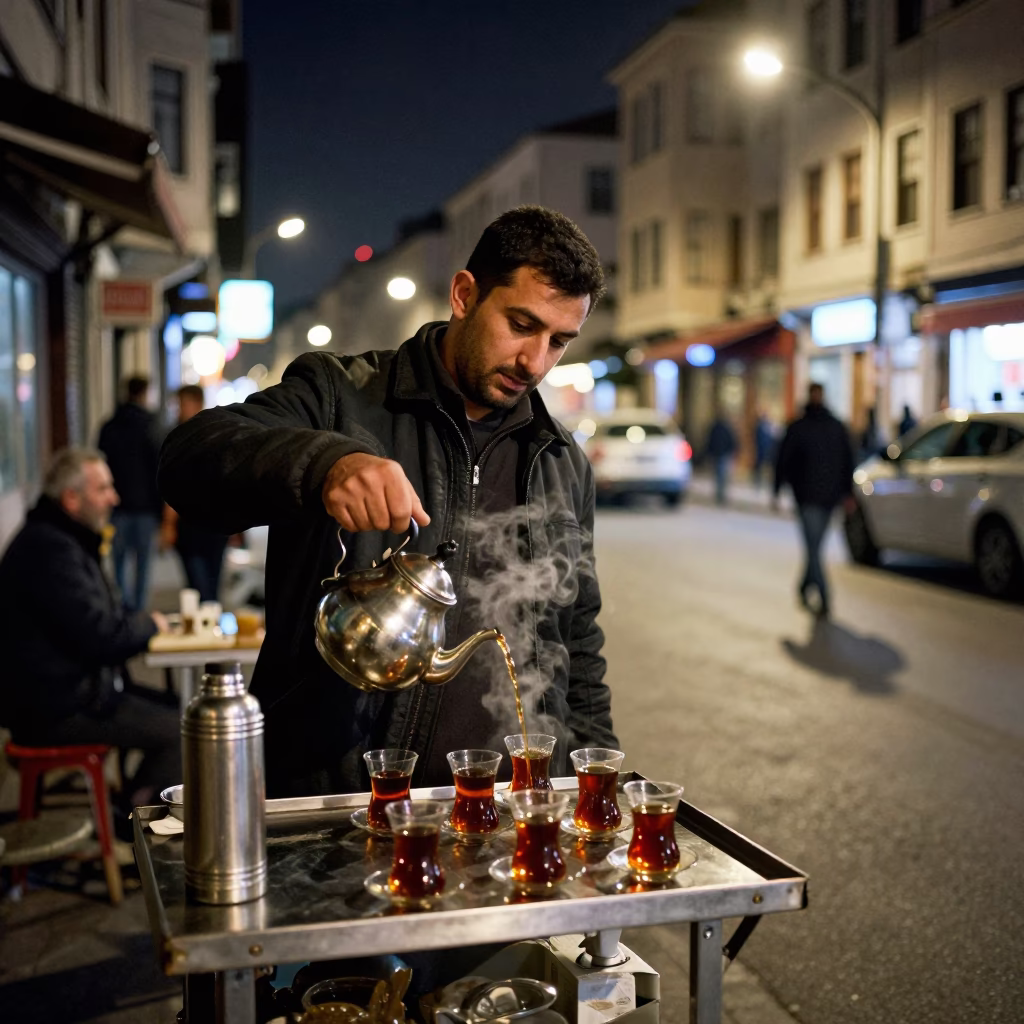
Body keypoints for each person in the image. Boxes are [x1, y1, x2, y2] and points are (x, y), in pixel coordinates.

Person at [159, 206, 618, 799]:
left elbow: (576, 644)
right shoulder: (341, 397)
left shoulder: (561, 460)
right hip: (340, 798)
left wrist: (596, 783)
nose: (535, 361)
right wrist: (325, 465)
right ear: (463, 294)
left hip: (505, 811)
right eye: (521, 324)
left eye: (559, 341)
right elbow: (187, 461)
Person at [0, 448, 180, 830]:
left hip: (65, 691)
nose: (114, 498)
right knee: (184, 729)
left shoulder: (63, 539)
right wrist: (150, 624)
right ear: (71, 498)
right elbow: (100, 635)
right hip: (53, 707)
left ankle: (129, 805)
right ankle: (136, 822)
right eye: (103, 488)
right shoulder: (51, 549)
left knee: (174, 705)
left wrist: (140, 621)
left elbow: (104, 616)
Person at [773, 383, 855, 618]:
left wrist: (848, 493)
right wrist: (777, 489)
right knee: (814, 548)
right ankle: (825, 596)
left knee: (814, 548)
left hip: (827, 499)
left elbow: (848, 461)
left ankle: (805, 586)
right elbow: (783, 460)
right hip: (807, 497)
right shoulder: (799, 427)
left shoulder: (834, 426)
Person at [98, 376, 163, 610]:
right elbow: (160, 467)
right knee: (143, 564)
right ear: (145, 393)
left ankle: (122, 609)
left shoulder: (110, 425)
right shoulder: (152, 426)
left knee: (118, 563)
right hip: (145, 508)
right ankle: (139, 612)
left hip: (117, 507)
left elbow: (101, 463)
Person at [160, 385, 229, 602]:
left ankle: (209, 630)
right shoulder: (180, 437)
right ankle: (207, 629)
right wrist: (169, 524)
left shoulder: (208, 435)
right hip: (192, 528)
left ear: (196, 404)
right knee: (201, 587)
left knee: (210, 587)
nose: (178, 410)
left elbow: (228, 480)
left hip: (214, 527)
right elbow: (171, 484)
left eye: (182, 404)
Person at [705, 411, 737, 506]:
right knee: (721, 475)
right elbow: (732, 441)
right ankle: (720, 494)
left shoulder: (715, 428)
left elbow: (710, 441)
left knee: (719, 475)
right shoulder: (725, 428)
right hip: (722, 454)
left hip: (719, 454)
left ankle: (720, 494)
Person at [752, 411, 776, 489]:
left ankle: (767, 482)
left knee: (768, 467)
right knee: (759, 467)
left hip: (767, 450)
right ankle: (758, 482)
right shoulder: (759, 426)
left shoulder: (769, 426)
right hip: (761, 450)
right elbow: (756, 439)